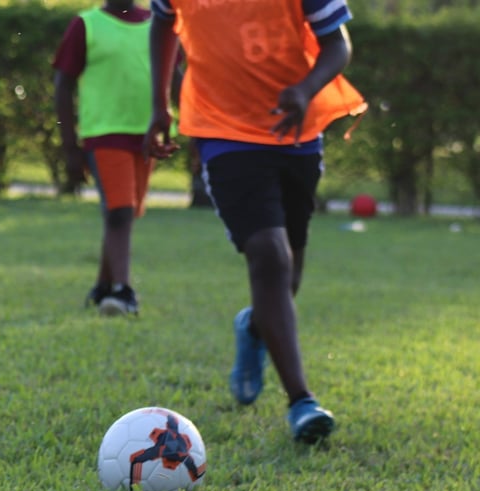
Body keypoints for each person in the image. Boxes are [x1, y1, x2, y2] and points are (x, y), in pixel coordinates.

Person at [144, 0, 367, 442]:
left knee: (289, 277)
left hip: (295, 129)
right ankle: (301, 401)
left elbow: (337, 46)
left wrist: (305, 89)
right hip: (221, 131)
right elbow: (163, 25)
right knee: (269, 256)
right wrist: (160, 105)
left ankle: (254, 325)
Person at [53, 0, 155, 316]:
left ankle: (102, 285)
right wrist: (69, 145)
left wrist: (194, 126)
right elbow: (63, 84)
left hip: (147, 135)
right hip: (104, 133)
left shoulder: (155, 22)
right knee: (120, 211)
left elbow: (173, 74)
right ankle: (123, 291)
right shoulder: (86, 25)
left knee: (125, 213)